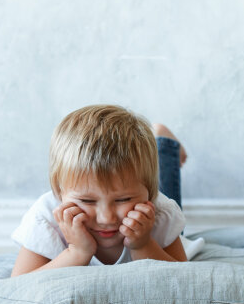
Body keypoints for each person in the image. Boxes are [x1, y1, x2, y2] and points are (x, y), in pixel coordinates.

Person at [11, 105, 191, 277]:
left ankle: (163, 144)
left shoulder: (160, 211)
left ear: (150, 195)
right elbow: (18, 286)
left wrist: (143, 245)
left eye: (124, 199)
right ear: (59, 193)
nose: (106, 219)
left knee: (162, 183)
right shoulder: (46, 218)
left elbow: (185, 280)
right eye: (88, 201)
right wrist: (77, 252)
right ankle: (160, 142)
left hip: (155, 202)